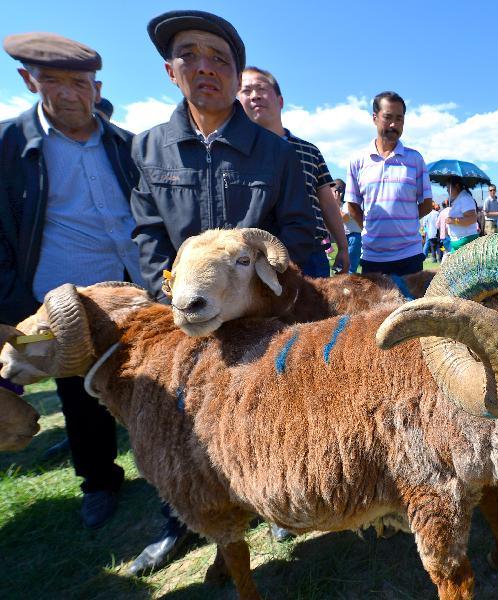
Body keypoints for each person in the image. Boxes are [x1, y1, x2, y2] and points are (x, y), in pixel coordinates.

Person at [128, 9, 316, 574]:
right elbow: (146, 232)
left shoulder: (276, 153)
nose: (204, 68)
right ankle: (185, 524)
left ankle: (277, 501)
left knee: (268, 413)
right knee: (180, 423)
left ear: (237, 77)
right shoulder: (148, 149)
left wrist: (268, 293)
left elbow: (300, 233)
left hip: (260, 319)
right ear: (170, 70)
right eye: (190, 55)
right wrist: (172, 297)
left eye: (220, 59)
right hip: (184, 316)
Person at [0, 32, 142, 530]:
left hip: (130, 293)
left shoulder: (125, 144)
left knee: (146, 386)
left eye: (78, 83)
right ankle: (99, 482)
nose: (67, 93)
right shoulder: (9, 146)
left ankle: (166, 468)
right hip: (61, 303)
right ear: (28, 80)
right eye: (52, 81)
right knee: (79, 398)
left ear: (96, 86)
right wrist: (9, 303)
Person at [238, 66, 349, 276]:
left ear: (280, 101)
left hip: (312, 254)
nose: (254, 96)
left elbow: (327, 202)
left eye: (261, 88)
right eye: (246, 90)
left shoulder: (309, 151)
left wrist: (343, 247)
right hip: (255, 258)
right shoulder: (234, 154)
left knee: (316, 309)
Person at [345, 91, 433, 276]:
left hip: (410, 256)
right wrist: (370, 228)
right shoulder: (357, 161)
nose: (394, 124)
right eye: (388, 117)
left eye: (399, 119)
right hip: (373, 257)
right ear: (375, 118)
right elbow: (352, 205)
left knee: (414, 306)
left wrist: (403, 223)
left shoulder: (415, 159)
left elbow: (426, 204)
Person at [444, 176, 479, 253]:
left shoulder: (465, 198)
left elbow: (472, 219)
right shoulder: (460, 198)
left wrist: (453, 221)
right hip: (460, 243)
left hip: (466, 242)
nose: (447, 190)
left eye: (448, 187)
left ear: (456, 186)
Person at [334, 179, 362, 273]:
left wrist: (336, 205)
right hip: (346, 237)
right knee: (341, 267)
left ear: (339, 193)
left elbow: (345, 219)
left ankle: (348, 286)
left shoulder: (348, 204)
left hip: (354, 237)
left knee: (349, 268)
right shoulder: (341, 205)